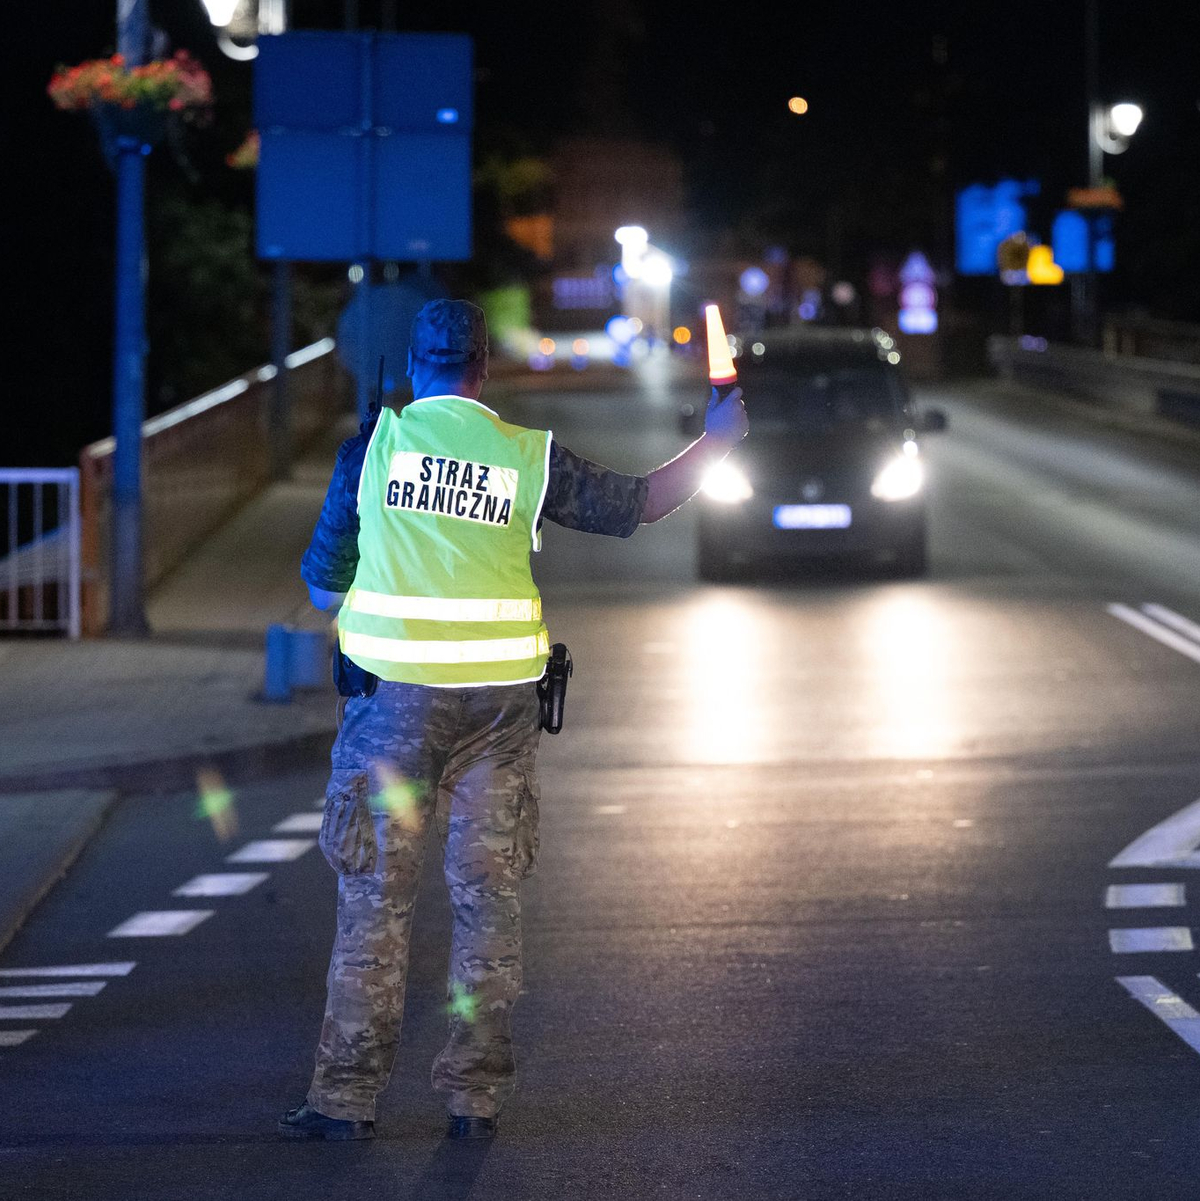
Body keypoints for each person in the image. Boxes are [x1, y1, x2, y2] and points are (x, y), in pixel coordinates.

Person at [280, 299, 747, 1142]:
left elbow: (321, 587)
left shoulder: (373, 451)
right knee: (486, 899)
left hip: (393, 708)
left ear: (414, 366)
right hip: (499, 710)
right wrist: (715, 443)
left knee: (376, 904)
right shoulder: (524, 457)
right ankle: (476, 1098)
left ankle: (345, 1102)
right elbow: (639, 504)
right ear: (484, 369)